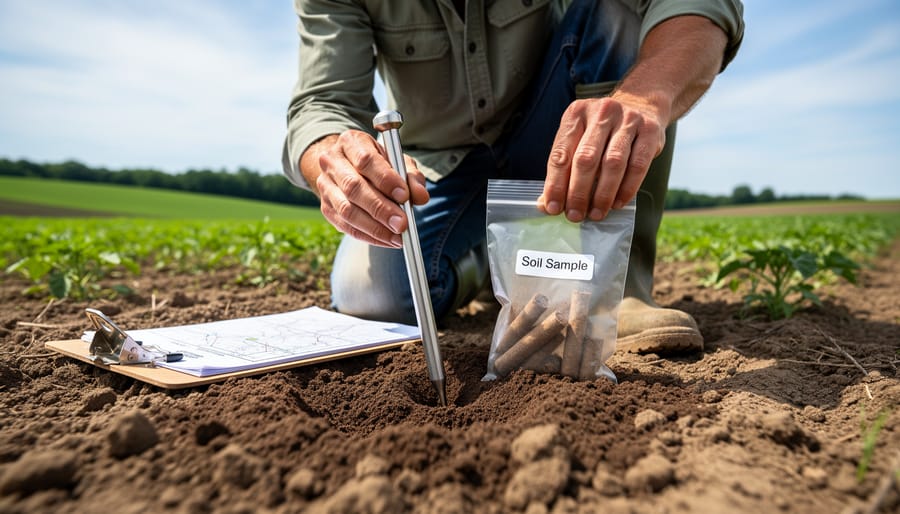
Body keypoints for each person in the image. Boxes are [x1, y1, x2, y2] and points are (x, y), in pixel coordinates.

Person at [282, 0, 745, 354]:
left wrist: (646, 99)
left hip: (559, 138)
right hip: (442, 168)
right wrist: (333, 153)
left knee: (618, 10)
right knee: (374, 293)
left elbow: (698, 7)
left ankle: (611, 290)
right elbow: (322, 102)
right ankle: (495, 258)